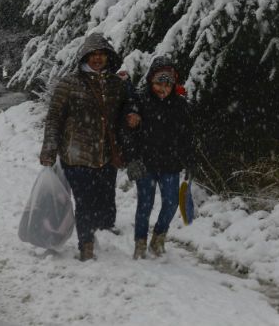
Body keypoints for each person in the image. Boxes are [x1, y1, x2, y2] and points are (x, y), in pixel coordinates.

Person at [39, 33, 140, 261]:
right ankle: (86, 244)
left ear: (107, 57)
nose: (97, 59)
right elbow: (54, 117)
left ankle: (100, 231)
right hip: (77, 155)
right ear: (85, 56)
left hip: (106, 155)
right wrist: (49, 149)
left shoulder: (117, 84)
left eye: (101, 55)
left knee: (103, 198)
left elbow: (129, 105)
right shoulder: (69, 83)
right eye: (92, 55)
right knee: (84, 201)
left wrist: (133, 112)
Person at [125, 56, 195, 259]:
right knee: (144, 205)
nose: (162, 88)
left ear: (174, 85)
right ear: (150, 81)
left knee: (172, 203)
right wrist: (132, 159)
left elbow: (187, 136)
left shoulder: (180, 105)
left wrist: (189, 160)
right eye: (158, 83)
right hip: (145, 164)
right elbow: (129, 135)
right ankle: (140, 243)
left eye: (168, 84)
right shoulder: (139, 101)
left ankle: (158, 238)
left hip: (170, 164)